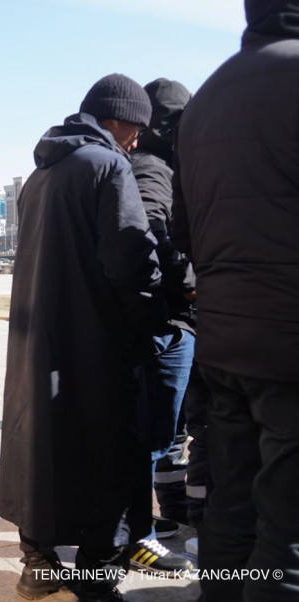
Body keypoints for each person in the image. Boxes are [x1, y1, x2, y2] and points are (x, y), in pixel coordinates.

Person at [0, 74, 165, 602]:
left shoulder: (39, 175)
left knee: (45, 451)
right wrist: (153, 319)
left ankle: (37, 564)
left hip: (40, 340)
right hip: (95, 342)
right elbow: (132, 262)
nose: (137, 140)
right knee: (108, 457)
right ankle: (98, 578)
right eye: (136, 129)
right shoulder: (108, 165)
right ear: (115, 119)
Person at [171, 2, 299, 599]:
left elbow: (184, 233)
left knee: (231, 501)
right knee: (288, 528)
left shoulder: (208, 98)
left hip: (224, 341)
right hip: (287, 343)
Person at [128, 78, 195, 575]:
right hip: (166, 324)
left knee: (155, 435)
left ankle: (149, 526)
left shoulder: (137, 164)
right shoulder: (154, 167)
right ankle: (142, 535)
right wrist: (187, 283)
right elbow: (152, 230)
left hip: (151, 322)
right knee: (156, 436)